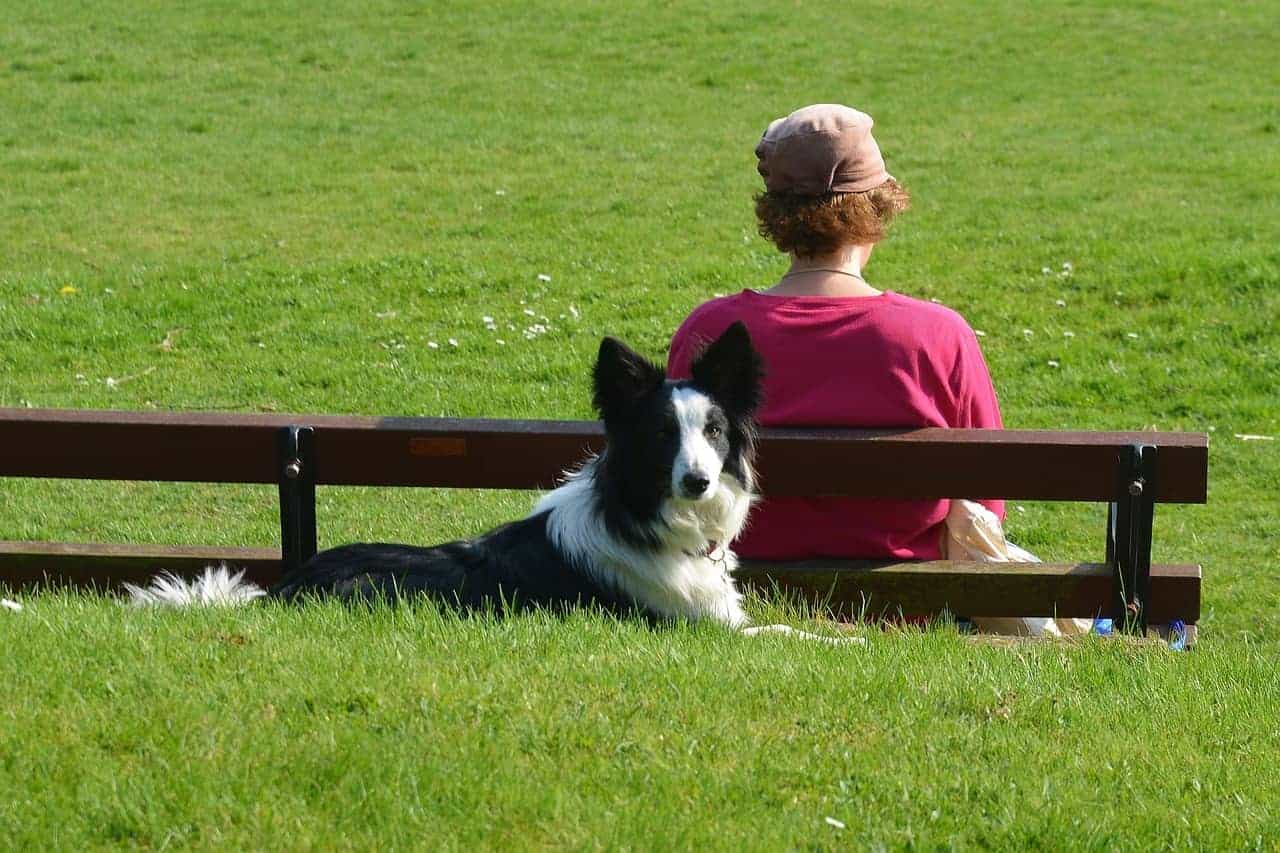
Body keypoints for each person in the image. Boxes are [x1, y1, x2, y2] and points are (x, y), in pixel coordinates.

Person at [667, 103, 1004, 562]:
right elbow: (987, 498)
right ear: (878, 208)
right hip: (912, 605)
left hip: (740, 594)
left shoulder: (710, 332)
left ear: (776, 213)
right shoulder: (938, 336)